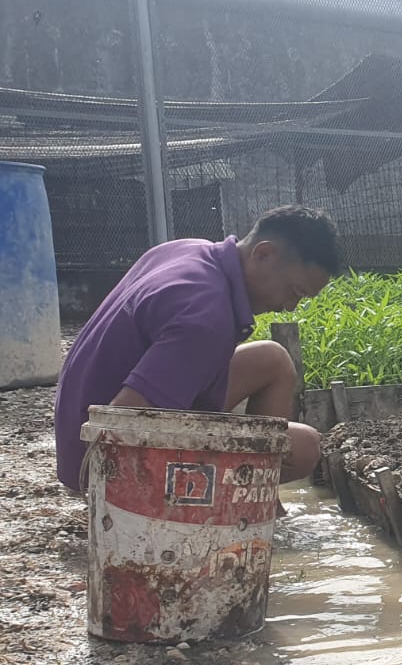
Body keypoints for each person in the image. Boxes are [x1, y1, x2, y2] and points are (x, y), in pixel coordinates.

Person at [55, 205, 343, 495]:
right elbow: (122, 419)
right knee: (304, 446)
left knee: (273, 360)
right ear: (263, 253)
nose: (289, 307)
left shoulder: (189, 250)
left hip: (77, 420)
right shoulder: (206, 318)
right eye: (294, 292)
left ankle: (264, 504)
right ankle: (247, 515)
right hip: (96, 459)